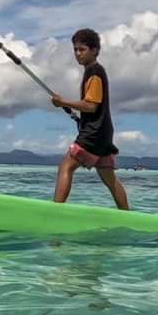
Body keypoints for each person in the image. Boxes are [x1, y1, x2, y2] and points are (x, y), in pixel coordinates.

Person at [51, 27, 130, 209]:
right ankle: (128, 216)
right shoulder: (94, 71)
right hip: (104, 133)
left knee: (65, 167)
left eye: (82, 49)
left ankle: (55, 212)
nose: (78, 54)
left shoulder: (94, 72)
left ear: (94, 50)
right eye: (75, 50)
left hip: (93, 134)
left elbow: (91, 105)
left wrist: (64, 102)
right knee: (110, 179)